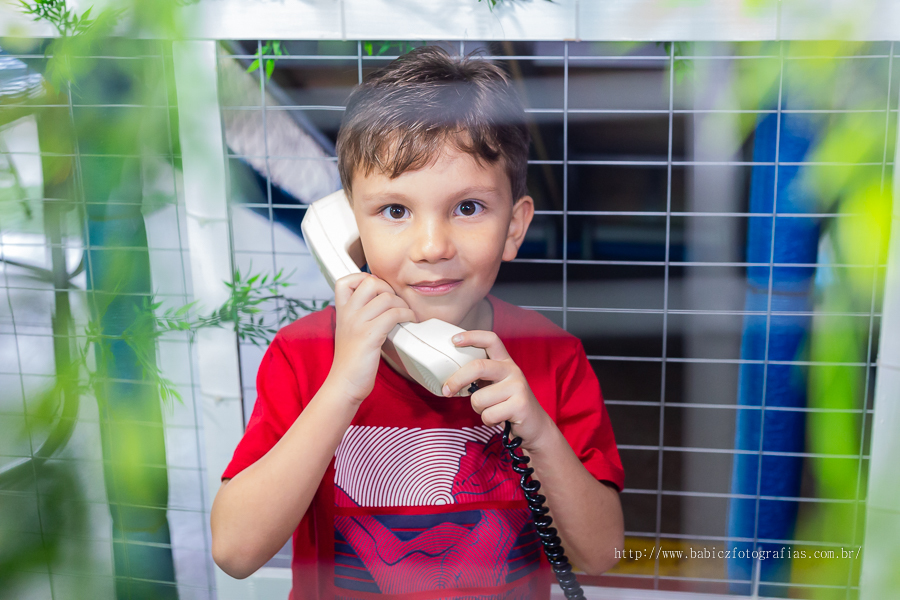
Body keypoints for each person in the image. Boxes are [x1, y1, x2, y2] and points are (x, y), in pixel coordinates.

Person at [210, 46, 625, 600]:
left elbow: (600, 555)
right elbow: (235, 553)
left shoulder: (553, 357)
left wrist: (541, 435)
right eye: (395, 211)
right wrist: (342, 389)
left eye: (469, 208)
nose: (432, 247)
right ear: (348, 226)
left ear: (514, 227)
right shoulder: (304, 355)